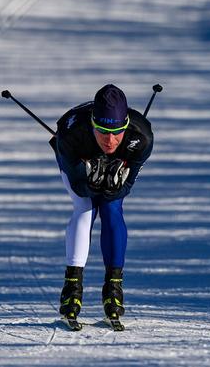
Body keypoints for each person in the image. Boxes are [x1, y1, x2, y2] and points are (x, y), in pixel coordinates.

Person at [51, 84, 154, 324]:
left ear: (126, 125)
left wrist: (114, 185)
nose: (110, 140)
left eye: (117, 131)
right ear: (92, 124)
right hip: (78, 155)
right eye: (102, 131)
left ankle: (114, 290)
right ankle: (72, 289)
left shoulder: (141, 137)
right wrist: (91, 180)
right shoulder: (71, 133)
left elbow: (125, 188)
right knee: (85, 206)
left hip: (112, 162)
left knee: (111, 208)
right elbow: (79, 186)